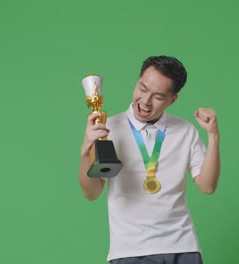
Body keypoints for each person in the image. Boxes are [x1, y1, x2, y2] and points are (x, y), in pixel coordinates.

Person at [78, 55, 221, 264]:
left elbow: (207, 186)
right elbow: (92, 193)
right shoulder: (109, 128)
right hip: (129, 251)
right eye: (142, 88)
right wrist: (85, 151)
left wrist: (213, 135)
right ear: (137, 82)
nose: (145, 101)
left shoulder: (185, 131)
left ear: (173, 99)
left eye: (158, 96)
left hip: (182, 248)